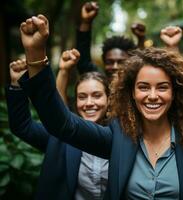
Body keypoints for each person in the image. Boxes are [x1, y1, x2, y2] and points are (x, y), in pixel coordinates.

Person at [17, 14, 183, 199]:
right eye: (143, 87)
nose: (152, 96)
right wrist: (35, 54)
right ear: (132, 93)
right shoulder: (118, 136)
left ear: (175, 93)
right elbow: (61, 123)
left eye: (163, 87)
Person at [6, 51, 110, 199]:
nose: (89, 103)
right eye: (82, 97)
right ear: (76, 102)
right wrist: (17, 85)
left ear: (109, 100)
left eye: (97, 95)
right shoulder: (60, 136)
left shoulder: (121, 136)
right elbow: (22, 126)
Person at [77, 1, 138, 79]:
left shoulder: (137, 86)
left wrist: (141, 39)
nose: (115, 67)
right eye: (109, 62)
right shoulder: (99, 81)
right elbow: (83, 63)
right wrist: (86, 22)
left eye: (121, 62)